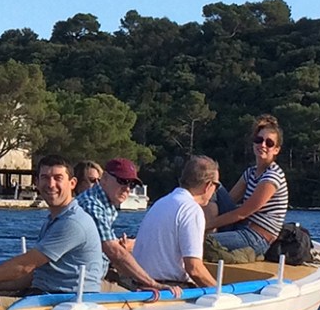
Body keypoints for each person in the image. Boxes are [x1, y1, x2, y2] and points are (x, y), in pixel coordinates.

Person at [0, 155, 105, 301]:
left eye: (58, 178)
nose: (51, 184)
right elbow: (29, 275)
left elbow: (24, 266)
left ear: (72, 183)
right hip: (45, 294)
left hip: (68, 301)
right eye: (45, 178)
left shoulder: (73, 223)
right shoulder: (54, 219)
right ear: (37, 183)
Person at [77, 158, 179, 293]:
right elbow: (114, 252)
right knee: (141, 302)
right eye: (122, 181)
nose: (127, 189)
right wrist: (154, 284)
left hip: (87, 278)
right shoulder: (92, 205)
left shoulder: (102, 204)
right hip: (80, 284)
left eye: (131, 184)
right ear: (105, 178)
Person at [204, 114, 289, 255]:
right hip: (241, 227)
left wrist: (207, 225)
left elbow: (242, 213)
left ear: (276, 150)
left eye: (269, 143)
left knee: (200, 243)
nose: (262, 145)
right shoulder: (250, 172)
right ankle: (198, 226)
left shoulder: (272, 176)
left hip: (256, 238)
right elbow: (228, 200)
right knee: (214, 186)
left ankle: (205, 231)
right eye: (259, 140)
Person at [132, 156, 219, 288]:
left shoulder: (160, 203)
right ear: (208, 186)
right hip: (170, 290)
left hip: (140, 285)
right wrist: (222, 293)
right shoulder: (191, 210)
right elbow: (194, 269)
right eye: (216, 186)